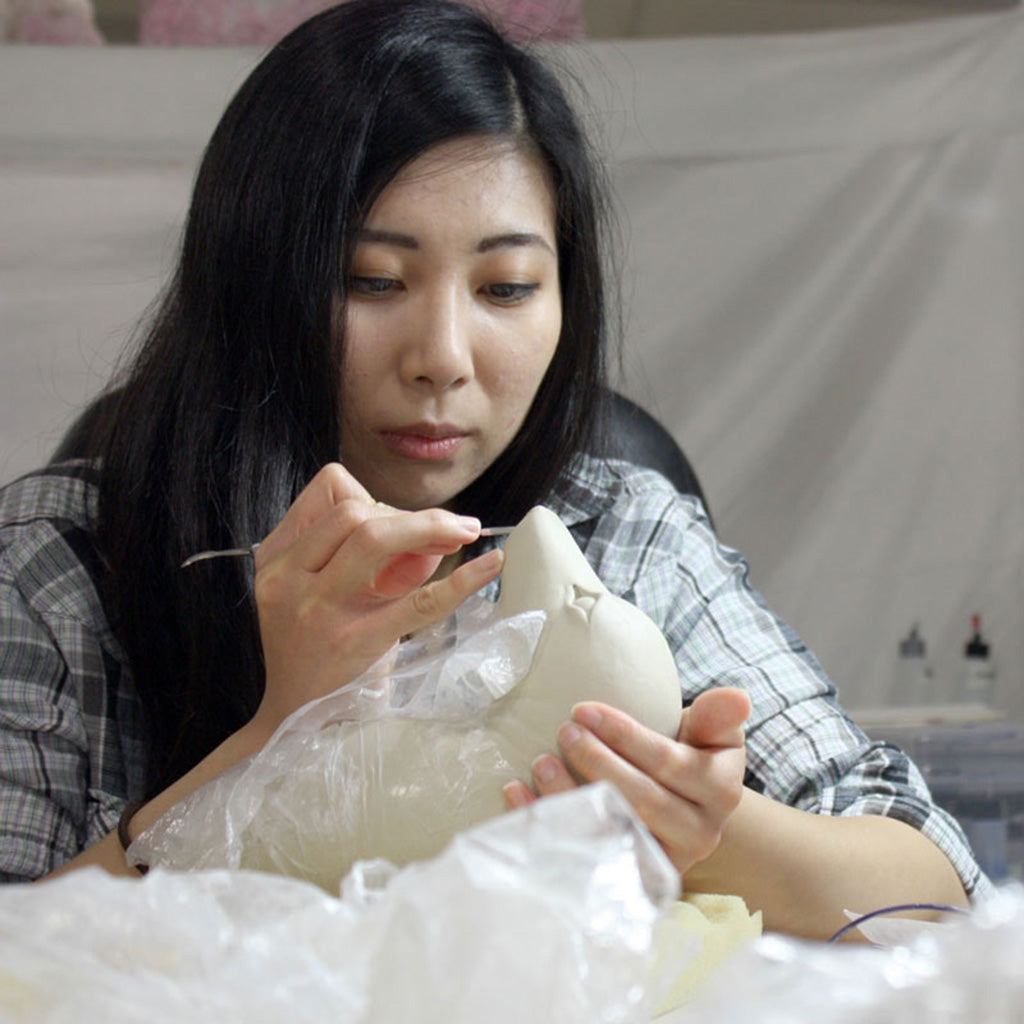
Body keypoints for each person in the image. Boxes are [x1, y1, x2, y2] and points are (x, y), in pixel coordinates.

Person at [0, 0, 984, 938]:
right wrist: (273, 750)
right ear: (251, 282)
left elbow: (940, 895)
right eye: (372, 280)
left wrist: (705, 830)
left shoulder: (617, 538)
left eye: (506, 287)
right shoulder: (62, 566)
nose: (443, 357)